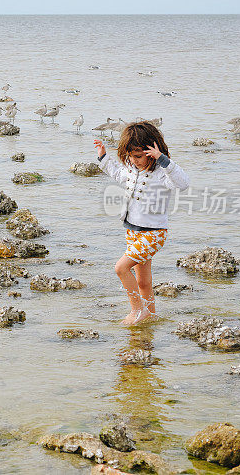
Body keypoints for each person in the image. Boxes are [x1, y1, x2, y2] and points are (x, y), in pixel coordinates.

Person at [94, 121, 190, 325]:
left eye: (138, 156)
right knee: (143, 282)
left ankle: (138, 312)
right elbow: (117, 173)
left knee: (121, 268)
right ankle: (151, 317)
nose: (133, 161)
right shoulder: (131, 168)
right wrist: (103, 156)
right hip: (132, 230)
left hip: (154, 233)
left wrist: (164, 161)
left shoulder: (162, 174)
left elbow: (183, 183)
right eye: (130, 156)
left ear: (152, 151)